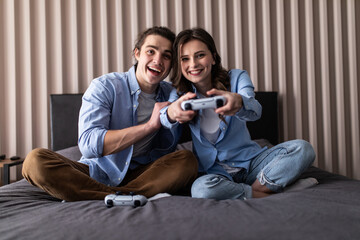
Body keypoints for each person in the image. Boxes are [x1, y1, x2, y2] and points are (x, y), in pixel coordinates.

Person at [22, 26, 198, 201]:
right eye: (151, 51)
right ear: (137, 53)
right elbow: (89, 144)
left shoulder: (173, 94)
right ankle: (124, 196)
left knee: (186, 160)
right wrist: (149, 126)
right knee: (34, 162)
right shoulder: (105, 86)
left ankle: (100, 195)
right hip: (95, 171)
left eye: (166, 56)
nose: (158, 60)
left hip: (145, 174)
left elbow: (181, 105)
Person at [160, 27, 316, 200]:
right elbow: (164, 116)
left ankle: (251, 190)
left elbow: (255, 111)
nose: (193, 64)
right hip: (214, 172)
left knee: (303, 148)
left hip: (251, 164)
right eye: (185, 59)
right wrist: (171, 113)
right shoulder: (180, 93)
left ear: (213, 57)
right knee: (201, 190)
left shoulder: (236, 77)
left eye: (200, 55)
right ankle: (264, 192)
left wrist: (240, 102)